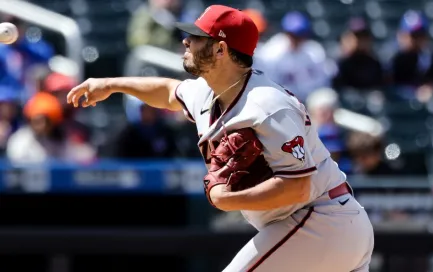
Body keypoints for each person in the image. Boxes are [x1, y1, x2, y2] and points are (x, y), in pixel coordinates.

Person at [67, 5, 374, 271]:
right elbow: (167, 91)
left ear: (220, 49)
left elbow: (298, 185)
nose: (186, 41)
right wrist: (109, 83)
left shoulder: (268, 105)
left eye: (197, 38)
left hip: (322, 219)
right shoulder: (208, 91)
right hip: (312, 228)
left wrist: (227, 200)